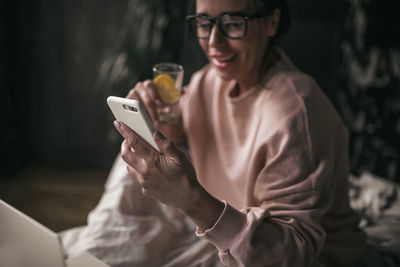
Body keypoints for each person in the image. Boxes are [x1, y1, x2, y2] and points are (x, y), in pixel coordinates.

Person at [62, 0, 368, 266]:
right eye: (203, 23)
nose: (213, 41)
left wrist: (192, 201)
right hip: (227, 232)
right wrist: (153, 115)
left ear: (272, 22)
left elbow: (292, 255)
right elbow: (184, 133)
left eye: (233, 23)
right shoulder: (210, 80)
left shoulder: (295, 115)